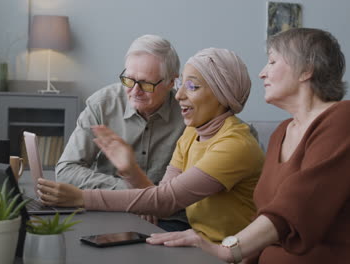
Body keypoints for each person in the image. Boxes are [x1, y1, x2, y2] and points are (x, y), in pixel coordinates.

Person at [146, 28, 350, 263]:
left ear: (307, 70)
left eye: (272, 62)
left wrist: (225, 250)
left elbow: (294, 206)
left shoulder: (342, 120)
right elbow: (264, 218)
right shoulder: (281, 132)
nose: (262, 73)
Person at [38, 47, 265, 243]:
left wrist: (81, 197)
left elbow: (165, 201)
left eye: (192, 87)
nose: (179, 95)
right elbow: (159, 197)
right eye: (181, 84)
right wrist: (130, 171)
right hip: (191, 241)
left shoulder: (235, 144)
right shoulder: (192, 132)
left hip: (220, 251)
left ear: (221, 95)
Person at [55, 34, 185, 190]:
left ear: (171, 82)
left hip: (167, 211)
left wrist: (152, 198)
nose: (135, 91)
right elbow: (66, 170)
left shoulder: (187, 113)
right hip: (108, 207)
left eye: (145, 84)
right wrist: (131, 190)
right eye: (129, 79)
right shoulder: (101, 105)